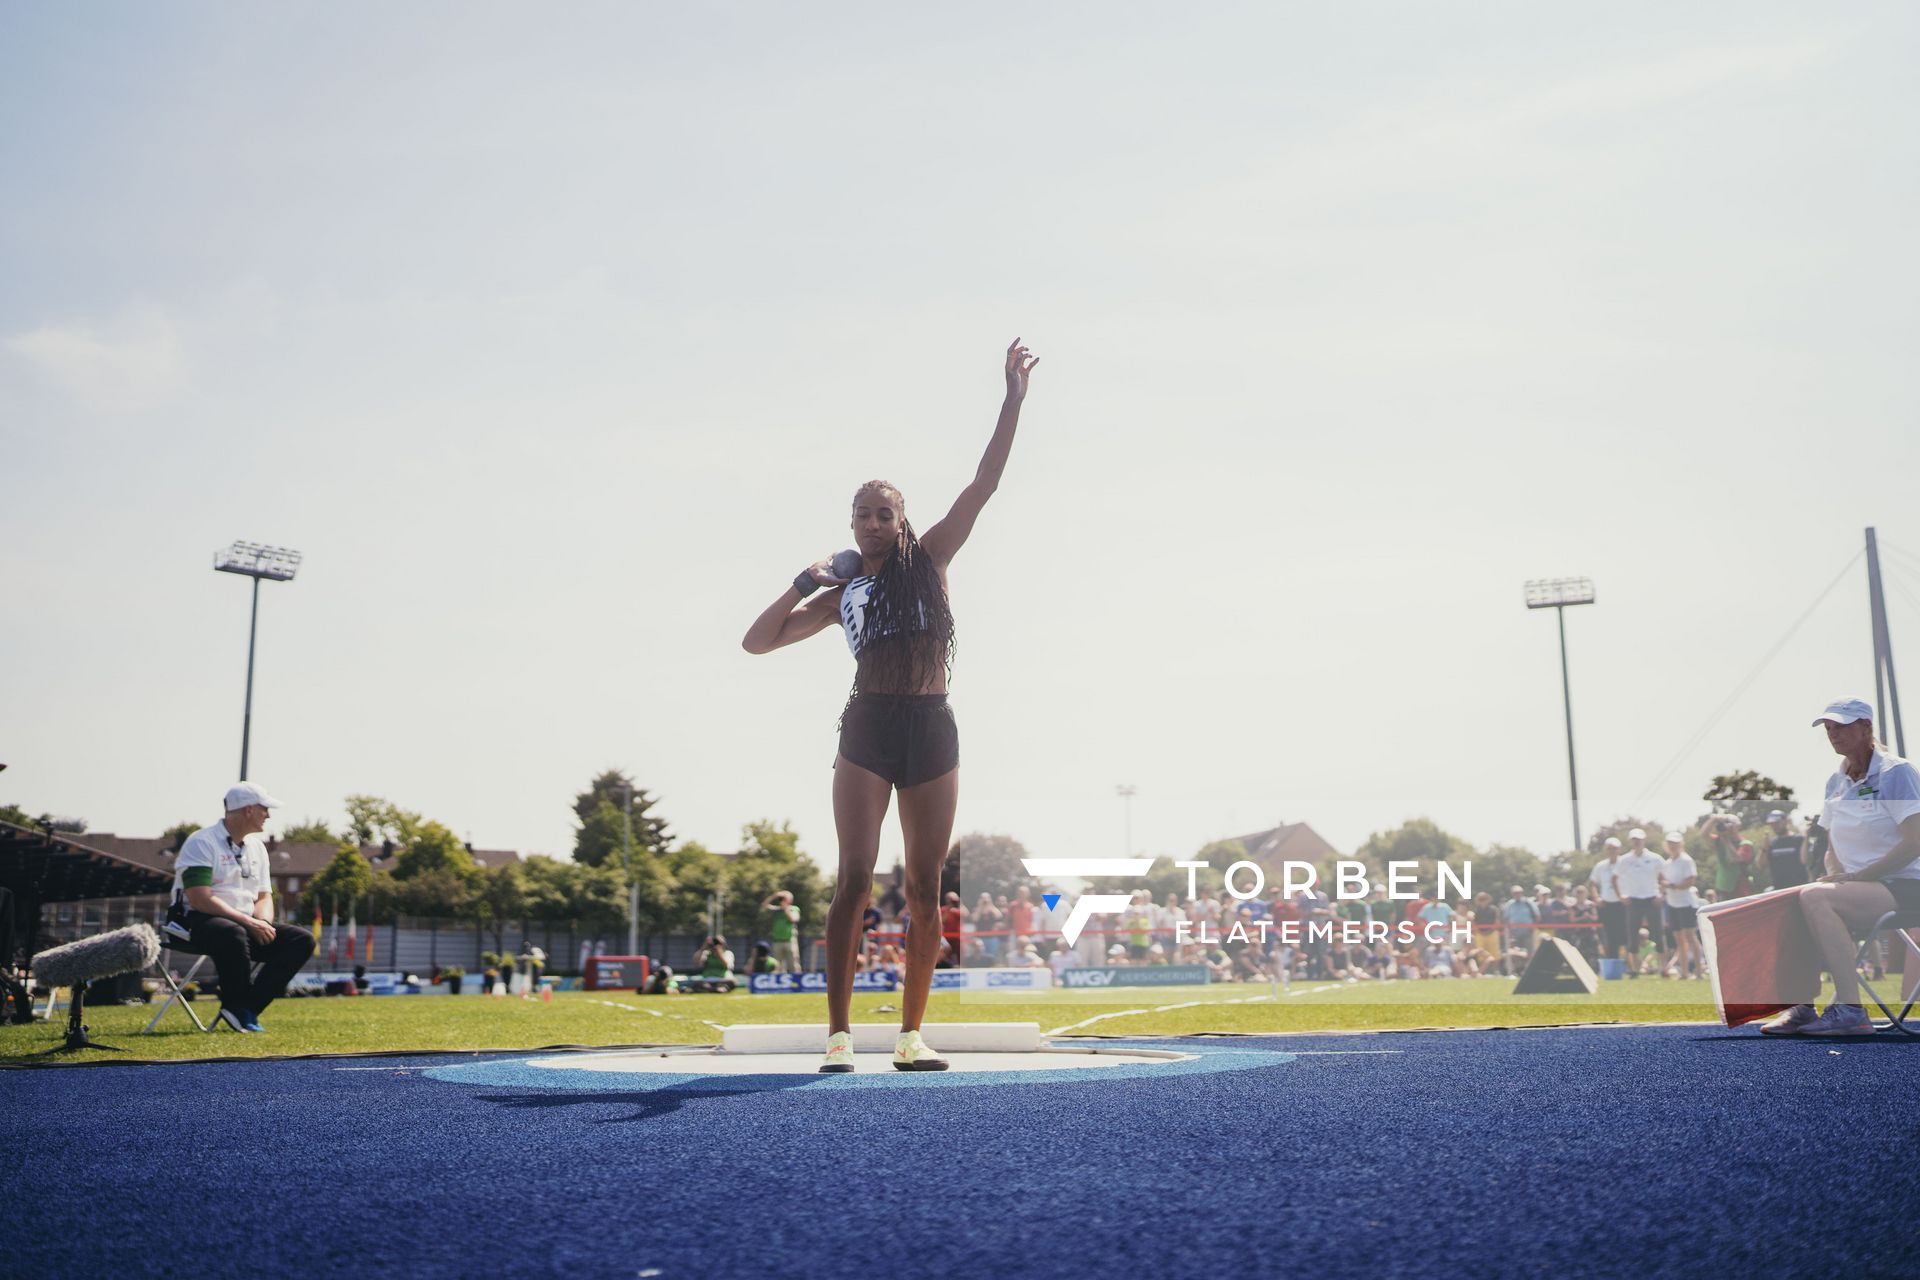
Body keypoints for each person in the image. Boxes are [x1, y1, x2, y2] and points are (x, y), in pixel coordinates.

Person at [740, 340, 1038, 1073]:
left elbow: (985, 482)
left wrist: (1012, 400)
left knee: (924, 886)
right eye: (862, 515)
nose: (872, 522)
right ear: (851, 527)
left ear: (901, 521)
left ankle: (911, 1034)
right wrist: (802, 582)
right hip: (868, 726)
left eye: (883, 512)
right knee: (852, 876)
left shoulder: (931, 560)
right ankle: (839, 1035)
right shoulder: (841, 595)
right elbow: (757, 643)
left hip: (932, 727)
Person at [1758, 699, 1920, 1036]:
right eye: (1829, 728)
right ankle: (1802, 1007)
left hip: (1908, 886)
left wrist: (1860, 877)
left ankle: (1850, 1010)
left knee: (1816, 898)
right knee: (1798, 898)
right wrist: (1833, 875)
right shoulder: (1836, 781)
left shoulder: (1897, 772)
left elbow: (1915, 841)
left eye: (1842, 726)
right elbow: (1833, 844)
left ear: (1866, 727)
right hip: (1867, 888)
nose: (1834, 734)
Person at [167, 783, 315, 1033]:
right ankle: (237, 1006)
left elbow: (264, 896)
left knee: (302, 940)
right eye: (264, 809)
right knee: (231, 932)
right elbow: (199, 898)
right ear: (248, 810)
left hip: (241, 925)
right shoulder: (201, 842)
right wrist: (248, 923)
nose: (267, 815)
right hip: (194, 920)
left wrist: (263, 924)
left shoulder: (257, 848)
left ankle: (246, 1008)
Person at [1615, 831, 1663, 977]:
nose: (1637, 842)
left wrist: (1662, 895)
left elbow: (1664, 877)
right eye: (1634, 839)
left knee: (1658, 934)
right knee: (1632, 935)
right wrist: (1621, 896)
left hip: (1651, 899)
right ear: (1631, 841)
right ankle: (1635, 969)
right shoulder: (1624, 859)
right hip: (1633, 900)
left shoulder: (1655, 858)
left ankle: (1662, 968)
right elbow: (1614, 878)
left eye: (1639, 839)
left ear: (1644, 840)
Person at [1659, 831, 1701, 978]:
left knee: (1690, 937)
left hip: (1686, 903)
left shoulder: (1686, 860)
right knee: (1679, 940)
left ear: (1680, 845)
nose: (1672, 846)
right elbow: (1663, 881)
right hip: (1672, 903)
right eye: (1670, 843)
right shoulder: (1667, 863)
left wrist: (1674, 886)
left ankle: (1699, 971)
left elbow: (1691, 880)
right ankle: (1684, 973)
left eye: (1675, 843)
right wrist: (1665, 887)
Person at [1589, 836, 1628, 971]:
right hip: (1607, 905)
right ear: (1606, 850)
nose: (1612, 851)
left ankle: (1630, 965)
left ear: (1619, 849)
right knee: (1610, 937)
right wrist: (1597, 898)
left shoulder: (1626, 863)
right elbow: (1593, 883)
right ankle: (1614, 966)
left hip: (1623, 904)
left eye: (1615, 848)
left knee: (1626, 934)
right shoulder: (1600, 866)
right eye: (1610, 849)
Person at [1764, 810, 1808, 891]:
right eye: (1772, 824)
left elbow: (1806, 861)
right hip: (1778, 889)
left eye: (1777, 822)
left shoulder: (1799, 839)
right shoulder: (1772, 843)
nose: (1774, 826)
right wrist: (1764, 848)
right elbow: (1761, 865)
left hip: (1799, 888)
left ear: (1785, 821)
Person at [761, 891, 802, 973]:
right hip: (777, 941)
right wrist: (773, 896)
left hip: (789, 941)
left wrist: (785, 908)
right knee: (778, 966)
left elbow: (793, 919)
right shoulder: (777, 910)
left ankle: (797, 982)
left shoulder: (793, 908)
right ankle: (780, 984)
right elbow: (764, 906)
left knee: (793, 964)